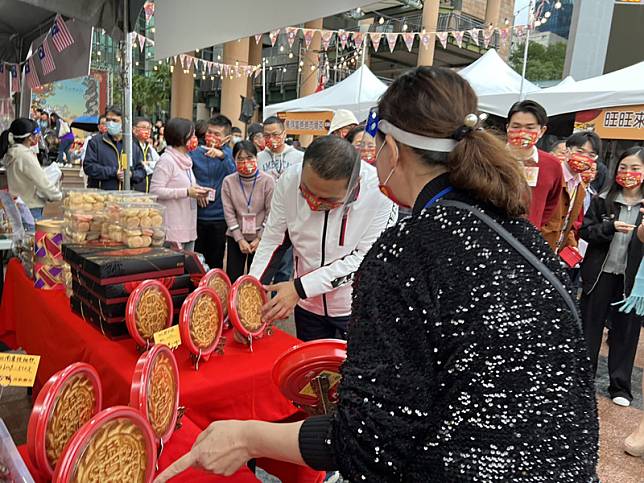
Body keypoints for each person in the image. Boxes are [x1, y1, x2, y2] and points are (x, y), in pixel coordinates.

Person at [155, 67, 598, 483]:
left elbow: (370, 442)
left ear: (390, 147)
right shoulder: (520, 232)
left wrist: (247, 436)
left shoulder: (408, 249)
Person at [249, 135, 396, 341]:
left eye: (328, 201)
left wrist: (300, 288)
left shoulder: (381, 192)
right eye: (306, 192)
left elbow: (365, 259)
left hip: (354, 305)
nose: (313, 204)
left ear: (356, 184)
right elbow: (273, 239)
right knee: (312, 369)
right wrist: (250, 289)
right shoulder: (289, 179)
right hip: (307, 307)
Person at [579, 146, 644, 408]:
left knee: (626, 331)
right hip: (600, 274)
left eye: (635, 168)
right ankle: (583, 380)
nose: (628, 173)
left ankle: (620, 386)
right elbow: (585, 231)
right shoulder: (603, 199)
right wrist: (609, 227)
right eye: (624, 167)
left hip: (633, 280)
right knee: (589, 328)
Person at [150, 118, 209, 250]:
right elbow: (155, 191)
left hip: (188, 225)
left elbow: (185, 184)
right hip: (172, 228)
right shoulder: (167, 161)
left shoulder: (187, 159)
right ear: (181, 136)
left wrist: (199, 192)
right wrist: (187, 192)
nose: (195, 139)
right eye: (192, 135)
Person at [258, 116, 304, 284]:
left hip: (289, 218)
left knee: (284, 266)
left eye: (275, 134)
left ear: (284, 134)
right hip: (265, 217)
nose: (271, 139)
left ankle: (278, 305)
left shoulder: (299, 157)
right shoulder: (259, 157)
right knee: (264, 264)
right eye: (267, 135)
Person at [221, 141, 275, 282]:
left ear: (257, 158)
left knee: (256, 280)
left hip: (260, 238)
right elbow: (229, 213)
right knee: (233, 278)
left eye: (250, 157)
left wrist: (259, 238)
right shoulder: (228, 182)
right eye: (240, 159)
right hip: (235, 237)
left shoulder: (267, 181)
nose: (246, 162)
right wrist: (240, 239)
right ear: (234, 160)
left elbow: (271, 212)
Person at [506, 100, 563, 229]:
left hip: (527, 238)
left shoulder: (552, 165)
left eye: (530, 128)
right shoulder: (491, 159)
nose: (522, 132)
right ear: (507, 127)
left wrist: (534, 224)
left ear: (542, 131)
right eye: (516, 126)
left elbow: (551, 204)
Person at [191, 115, 236, 267]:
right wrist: (195, 188)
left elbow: (236, 177)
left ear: (227, 138)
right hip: (198, 215)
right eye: (209, 132)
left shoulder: (230, 155)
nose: (212, 137)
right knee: (196, 260)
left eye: (217, 134)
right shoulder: (195, 152)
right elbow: (185, 174)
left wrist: (222, 156)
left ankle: (213, 289)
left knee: (215, 260)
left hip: (219, 217)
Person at [541, 132, 596, 254]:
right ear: (567, 150)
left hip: (554, 252)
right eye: (580, 152)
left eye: (591, 155)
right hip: (535, 247)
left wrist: (572, 246)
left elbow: (568, 223)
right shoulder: (550, 177)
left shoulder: (580, 188)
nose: (584, 158)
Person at [0, 118, 62, 220]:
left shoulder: (11, 152)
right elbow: (43, 183)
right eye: (36, 132)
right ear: (29, 137)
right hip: (31, 208)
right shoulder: (26, 156)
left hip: (18, 206)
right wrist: (59, 195)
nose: (38, 136)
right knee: (32, 235)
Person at [83, 107, 147, 190]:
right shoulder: (95, 142)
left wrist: (130, 175)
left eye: (114, 120)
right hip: (101, 196)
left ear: (123, 123)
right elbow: (89, 167)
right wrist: (114, 172)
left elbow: (142, 171)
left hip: (125, 196)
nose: (110, 123)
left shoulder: (132, 145)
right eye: (108, 120)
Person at [132, 117, 160, 193]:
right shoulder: (131, 146)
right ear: (134, 129)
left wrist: (148, 163)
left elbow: (160, 163)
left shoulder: (149, 147)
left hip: (148, 189)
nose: (147, 131)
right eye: (144, 128)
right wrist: (149, 167)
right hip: (135, 189)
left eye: (149, 128)